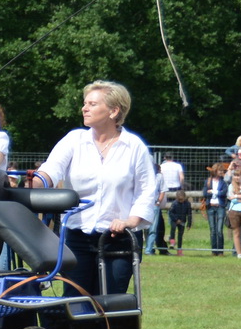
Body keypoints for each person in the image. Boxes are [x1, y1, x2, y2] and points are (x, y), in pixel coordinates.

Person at [28, 80, 156, 296]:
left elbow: (146, 191)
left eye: (92, 104)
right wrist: (37, 181)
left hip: (118, 239)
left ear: (114, 111)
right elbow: (51, 169)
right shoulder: (74, 140)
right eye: (85, 103)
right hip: (76, 236)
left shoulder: (134, 146)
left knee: (110, 302)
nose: (84, 108)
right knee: (76, 302)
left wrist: (130, 221)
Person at [150, 152, 184, 255]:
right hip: (174, 189)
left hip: (160, 196)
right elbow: (181, 178)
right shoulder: (177, 165)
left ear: (165, 157)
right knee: (159, 225)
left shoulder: (161, 168)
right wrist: (181, 188)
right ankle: (158, 247)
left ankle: (157, 248)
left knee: (158, 226)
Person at [202, 163, 228, 255]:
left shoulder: (223, 182)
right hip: (210, 207)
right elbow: (205, 193)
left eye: (222, 171)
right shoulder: (208, 181)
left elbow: (224, 193)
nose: (221, 172)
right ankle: (214, 251)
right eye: (220, 170)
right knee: (212, 230)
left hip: (220, 207)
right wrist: (218, 192)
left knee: (219, 230)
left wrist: (214, 191)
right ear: (215, 171)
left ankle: (220, 251)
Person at [168, 188, 191, 254]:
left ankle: (179, 250)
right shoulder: (174, 204)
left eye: (182, 199)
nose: (181, 201)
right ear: (177, 198)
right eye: (179, 200)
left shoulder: (187, 204)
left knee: (180, 235)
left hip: (182, 221)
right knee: (173, 229)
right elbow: (171, 213)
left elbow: (189, 214)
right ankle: (172, 242)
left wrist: (189, 224)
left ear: (185, 197)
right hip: (174, 220)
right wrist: (176, 219)